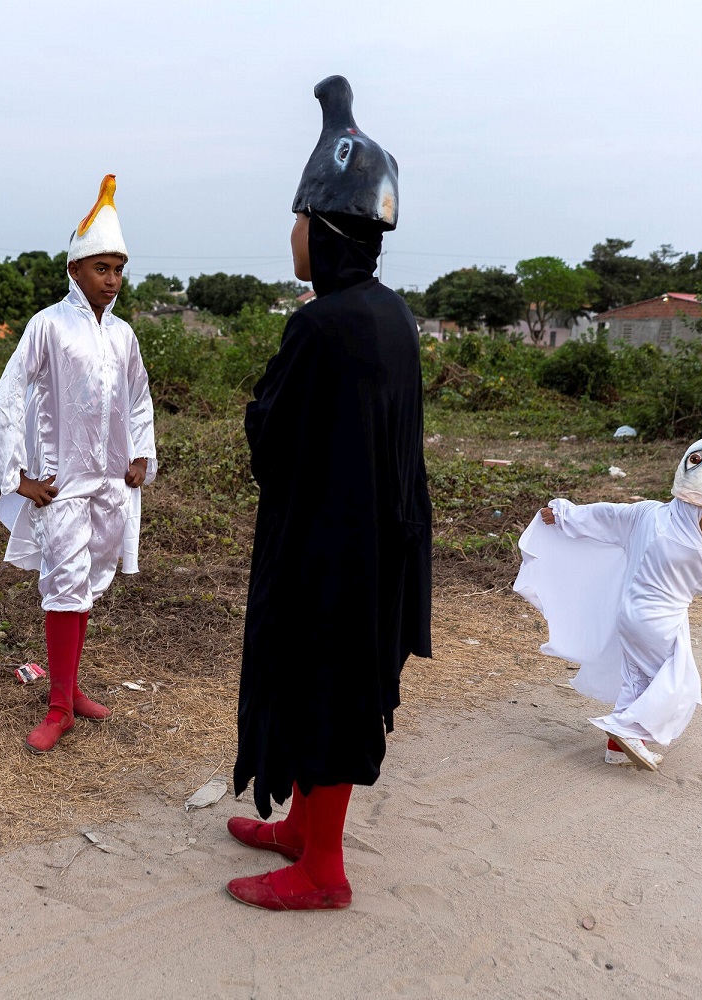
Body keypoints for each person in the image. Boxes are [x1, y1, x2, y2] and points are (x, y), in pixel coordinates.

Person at [226, 76, 432, 912]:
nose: (293, 233)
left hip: (328, 550)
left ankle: (324, 870)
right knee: (328, 681)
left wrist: (256, 409)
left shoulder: (320, 323)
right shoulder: (389, 314)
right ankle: (299, 830)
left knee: (321, 685)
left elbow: (272, 438)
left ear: (331, 229)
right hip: (375, 543)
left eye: (301, 218)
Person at [0, 174, 156, 754]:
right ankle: (57, 706)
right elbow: (8, 395)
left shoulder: (124, 335)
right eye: (102, 268)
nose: (113, 280)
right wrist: (17, 476)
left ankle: (71, 691)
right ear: (75, 269)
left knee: (87, 586)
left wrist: (140, 458)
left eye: (119, 269)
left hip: (108, 484)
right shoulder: (48, 326)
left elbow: (139, 399)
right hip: (63, 484)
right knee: (63, 588)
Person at [515, 408, 702, 770]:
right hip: (658, 623)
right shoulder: (691, 547)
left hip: (629, 615)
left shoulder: (648, 513)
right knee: (674, 683)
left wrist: (566, 514)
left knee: (637, 679)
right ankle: (626, 729)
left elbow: (606, 516)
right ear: (695, 508)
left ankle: (618, 748)